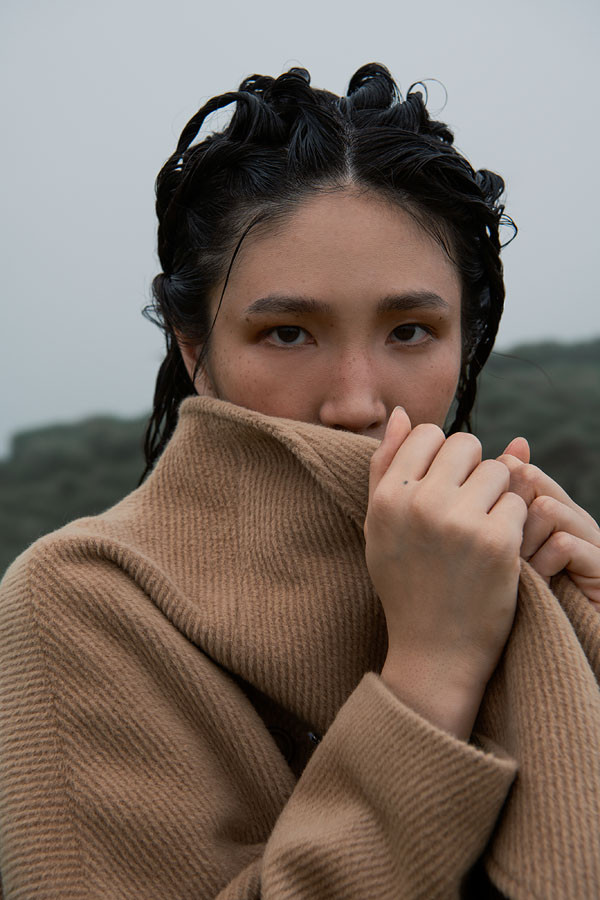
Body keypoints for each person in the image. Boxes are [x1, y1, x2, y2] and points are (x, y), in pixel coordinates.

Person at [0, 63, 599, 899]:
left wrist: (586, 632)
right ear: (194, 348)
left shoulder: (523, 562)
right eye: (287, 333)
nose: (356, 402)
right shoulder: (84, 599)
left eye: (410, 330)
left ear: (464, 340)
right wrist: (432, 667)